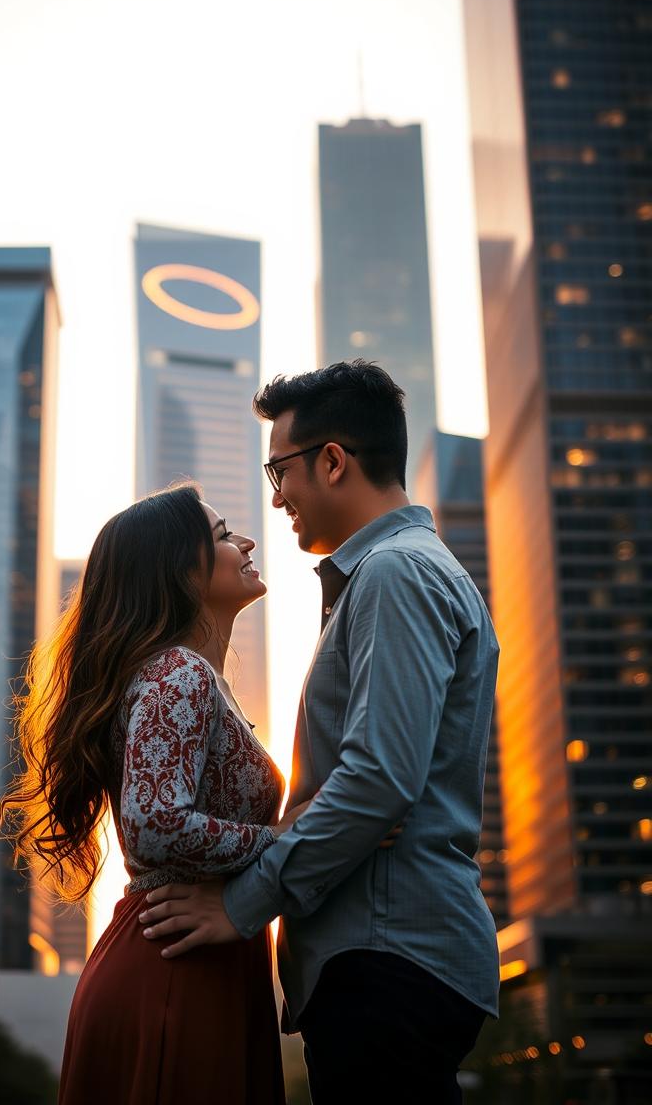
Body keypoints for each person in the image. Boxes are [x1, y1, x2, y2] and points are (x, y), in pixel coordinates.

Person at [139, 361, 501, 1104]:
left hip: (388, 955)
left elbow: (377, 780)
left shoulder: (395, 574)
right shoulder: (394, 574)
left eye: (281, 471)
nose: (276, 501)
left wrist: (239, 906)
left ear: (332, 460)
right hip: (384, 956)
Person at [0, 483, 304, 1105]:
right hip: (173, 970)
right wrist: (284, 841)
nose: (243, 541)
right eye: (220, 535)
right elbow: (156, 822)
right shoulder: (177, 672)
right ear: (179, 572)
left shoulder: (187, 674)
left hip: (196, 958)